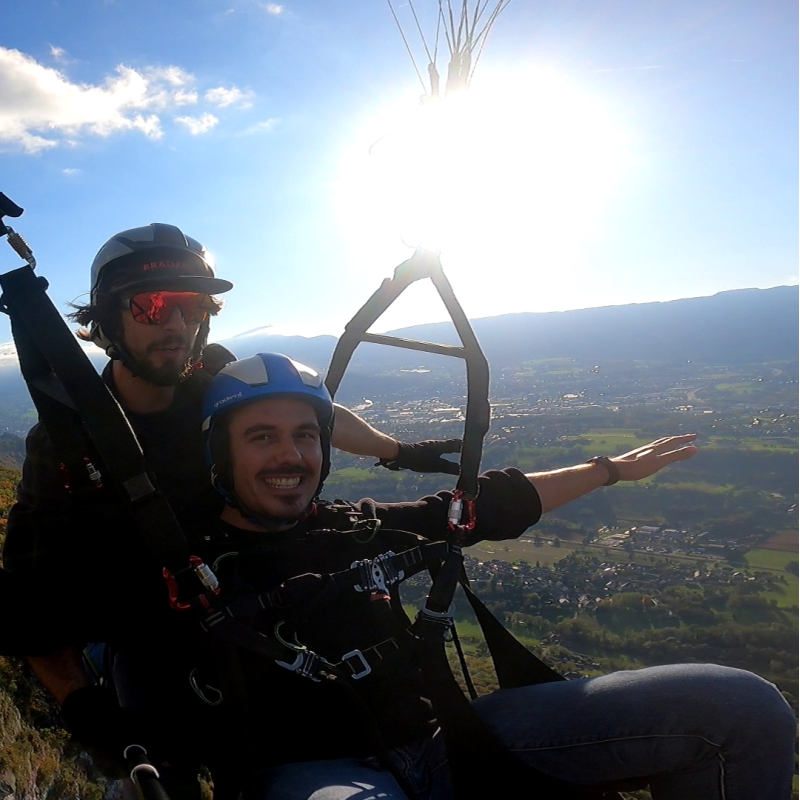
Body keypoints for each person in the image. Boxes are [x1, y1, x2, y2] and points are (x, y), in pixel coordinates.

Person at [60, 354, 796, 800]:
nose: (290, 455)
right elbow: (77, 635)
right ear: (219, 456)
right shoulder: (182, 568)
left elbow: (489, 507)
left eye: (306, 435)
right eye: (261, 437)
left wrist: (608, 470)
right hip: (309, 776)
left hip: (452, 738)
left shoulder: (357, 522)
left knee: (742, 710)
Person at [1, 225, 459, 715]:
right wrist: (82, 707)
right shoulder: (68, 441)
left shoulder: (216, 382)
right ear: (107, 317)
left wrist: (398, 452)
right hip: (142, 629)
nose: (177, 323)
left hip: (247, 601)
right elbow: (33, 596)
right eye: (152, 304)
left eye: (193, 306)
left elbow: (300, 411)